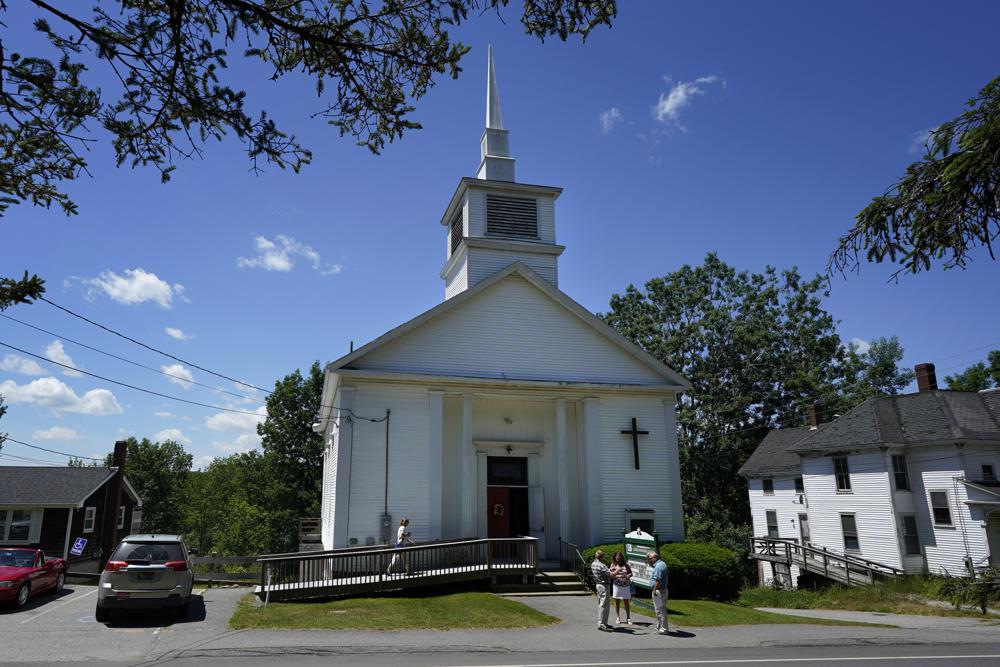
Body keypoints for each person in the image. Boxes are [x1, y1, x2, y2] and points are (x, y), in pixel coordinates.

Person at [647, 550, 669, 634]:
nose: (648, 560)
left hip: (658, 591)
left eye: (649, 558)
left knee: (660, 610)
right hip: (662, 590)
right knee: (660, 609)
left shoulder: (659, 566)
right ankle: (659, 626)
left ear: (654, 558)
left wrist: (654, 590)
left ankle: (664, 629)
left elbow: (657, 580)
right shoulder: (660, 564)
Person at [591, 550, 613, 631]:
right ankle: (602, 624)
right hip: (604, 585)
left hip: (598, 584)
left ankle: (604, 623)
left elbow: (606, 572)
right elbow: (610, 575)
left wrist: (610, 569)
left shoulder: (593, 564)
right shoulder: (601, 565)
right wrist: (618, 570)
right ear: (601, 557)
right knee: (604, 605)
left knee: (602, 604)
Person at [610, 551, 633, 625]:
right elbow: (611, 575)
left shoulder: (626, 565)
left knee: (626, 602)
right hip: (617, 585)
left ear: (621, 557)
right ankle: (618, 617)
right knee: (617, 601)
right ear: (615, 557)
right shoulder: (613, 565)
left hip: (625, 585)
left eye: (619, 556)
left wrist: (628, 576)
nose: (617, 557)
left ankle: (628, 618)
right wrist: (619, 576)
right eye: (616, 556)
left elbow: (630, 573)